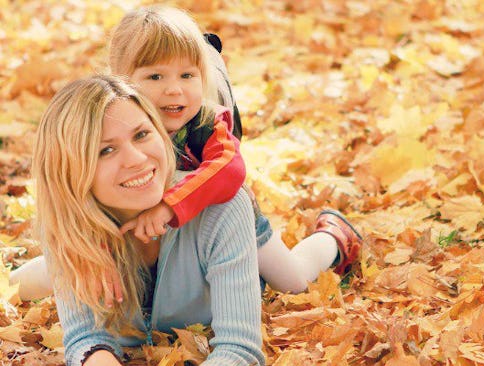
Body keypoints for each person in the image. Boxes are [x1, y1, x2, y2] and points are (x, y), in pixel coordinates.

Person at [11, 5, 362, 299]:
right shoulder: (110, 125)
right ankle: (9, 282)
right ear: (121, 81)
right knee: (55, 278)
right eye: (155, 78)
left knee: (292, 282)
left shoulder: (209, 124)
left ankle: (332, 238)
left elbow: (230, 170)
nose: (174, 90)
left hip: (221, 225)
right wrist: (90, 255)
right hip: (137, 233)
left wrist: (169, 205)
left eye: (187, 75)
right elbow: (80, 187)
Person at [32, 75, 264, 365]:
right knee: (28, 282)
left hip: (253, 241)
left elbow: (239, 350)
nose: (137, 158)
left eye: (141, 135)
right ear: (70, 172)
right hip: (89, 231)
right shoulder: (64, 227)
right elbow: (87, 340)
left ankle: (332, 237)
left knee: (295, 277)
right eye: (106, 150)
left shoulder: (223, 209)